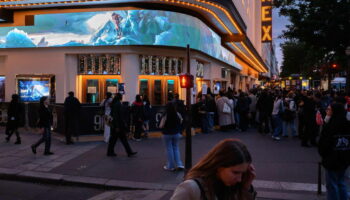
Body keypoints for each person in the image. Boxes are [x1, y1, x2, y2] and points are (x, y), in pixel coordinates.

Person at [170, 139, 256, 200]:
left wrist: (246, 189)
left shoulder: (234, 187)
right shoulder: (191, 188)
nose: (239, 179)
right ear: (218, 166)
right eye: (235, 172)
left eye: (242, 173)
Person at [318, 103, 350, 200]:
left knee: (332, 185)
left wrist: (324, 155)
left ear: (334, 111)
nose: (327, 111)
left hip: (331, 159)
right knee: (341, 182)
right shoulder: (348, 124)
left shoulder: (330, 126)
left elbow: (323, 144)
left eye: (329, 109)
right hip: (345, 158)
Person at [159, 103, 184, 171]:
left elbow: (161, 125)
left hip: (167, 133)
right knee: (176, 148)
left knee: (169, 149)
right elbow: (181, 121)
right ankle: (179, 164)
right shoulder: (177, 114)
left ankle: (170, 165)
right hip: (176, 133)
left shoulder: (165, 115)